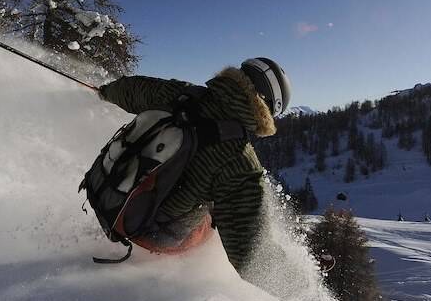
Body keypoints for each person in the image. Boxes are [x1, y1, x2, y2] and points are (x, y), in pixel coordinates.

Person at [97, 57, 291, 283]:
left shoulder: (183, 93)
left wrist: (105, 92)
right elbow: (250, 256)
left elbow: (131, 89)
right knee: (212, 223)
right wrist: (307, 292)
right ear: (267, 109)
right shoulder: (240, 160)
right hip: (150, 234)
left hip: (107, 186)